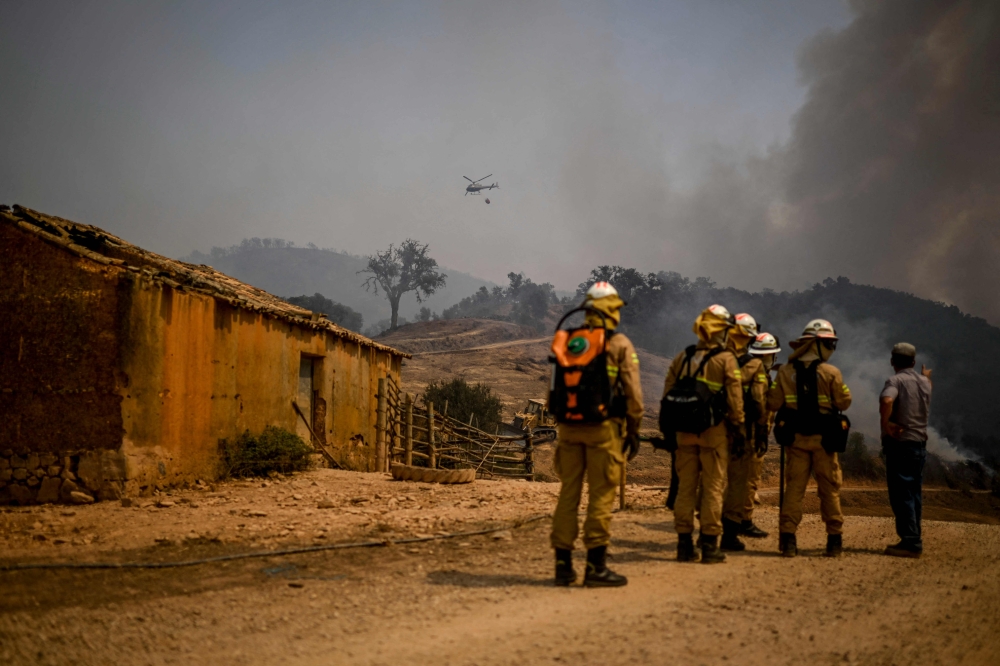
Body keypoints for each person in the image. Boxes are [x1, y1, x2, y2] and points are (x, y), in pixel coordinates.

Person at [549, 282, 644, 587]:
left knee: (568, 494)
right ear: (612, 310)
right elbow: (634, 397)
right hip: (604, 429)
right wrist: (634, 431)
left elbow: (552, 390)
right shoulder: (619, 344)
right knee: (601, 495)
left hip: (568, 428)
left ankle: (563, 566)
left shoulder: (567, 340)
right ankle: (595, 567)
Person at [661, 305, 743, 564]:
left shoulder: (682, 357)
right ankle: (709, 545)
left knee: (685, 487)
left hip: (683, 434)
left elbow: (666, 397)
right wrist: (738, 428)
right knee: (713, 488)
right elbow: (735, 402)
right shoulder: (726, 359)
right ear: (722, 331)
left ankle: (683, 545)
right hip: (714, 434)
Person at [767, 319, 852, 557]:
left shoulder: (784, 371)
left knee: (794, 489)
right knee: (829, 490)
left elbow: (772, 404)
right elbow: (844, 402)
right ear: (818, 344)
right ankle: (834, 542)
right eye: (830, 343)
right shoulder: (831, 373)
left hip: (796, 441)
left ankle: (788, 541)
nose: (832, 348)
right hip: (825, 442)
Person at [720, 314, 770, 551]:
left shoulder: (713, 359)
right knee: (739, 482)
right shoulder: (754, 365)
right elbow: (760, 401)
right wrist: (761, 430)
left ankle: (705, 533)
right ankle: (729, 534)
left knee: (712, 481)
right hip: (743, 431)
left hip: (714, 430)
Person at [880, 342, 933, 558]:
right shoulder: (925, 383)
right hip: (919, 444)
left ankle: (910, 542)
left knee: (901, 493)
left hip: (901, 444)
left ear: (892, 362)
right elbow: (927, 383)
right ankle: (914, 537)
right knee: (913, 492)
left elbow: (887, 400)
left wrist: (887, 424)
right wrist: (925, 376)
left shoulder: (895, 380)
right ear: (912, 361)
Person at [741, 332, 781, 539]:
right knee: (750, 479)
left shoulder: (740, 369)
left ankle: (724, 517)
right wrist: (762, 433)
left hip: (736, 434)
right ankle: (744, 520)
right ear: (771, 356)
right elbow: (762, 405)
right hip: (754, 435)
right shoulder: (761, 376)